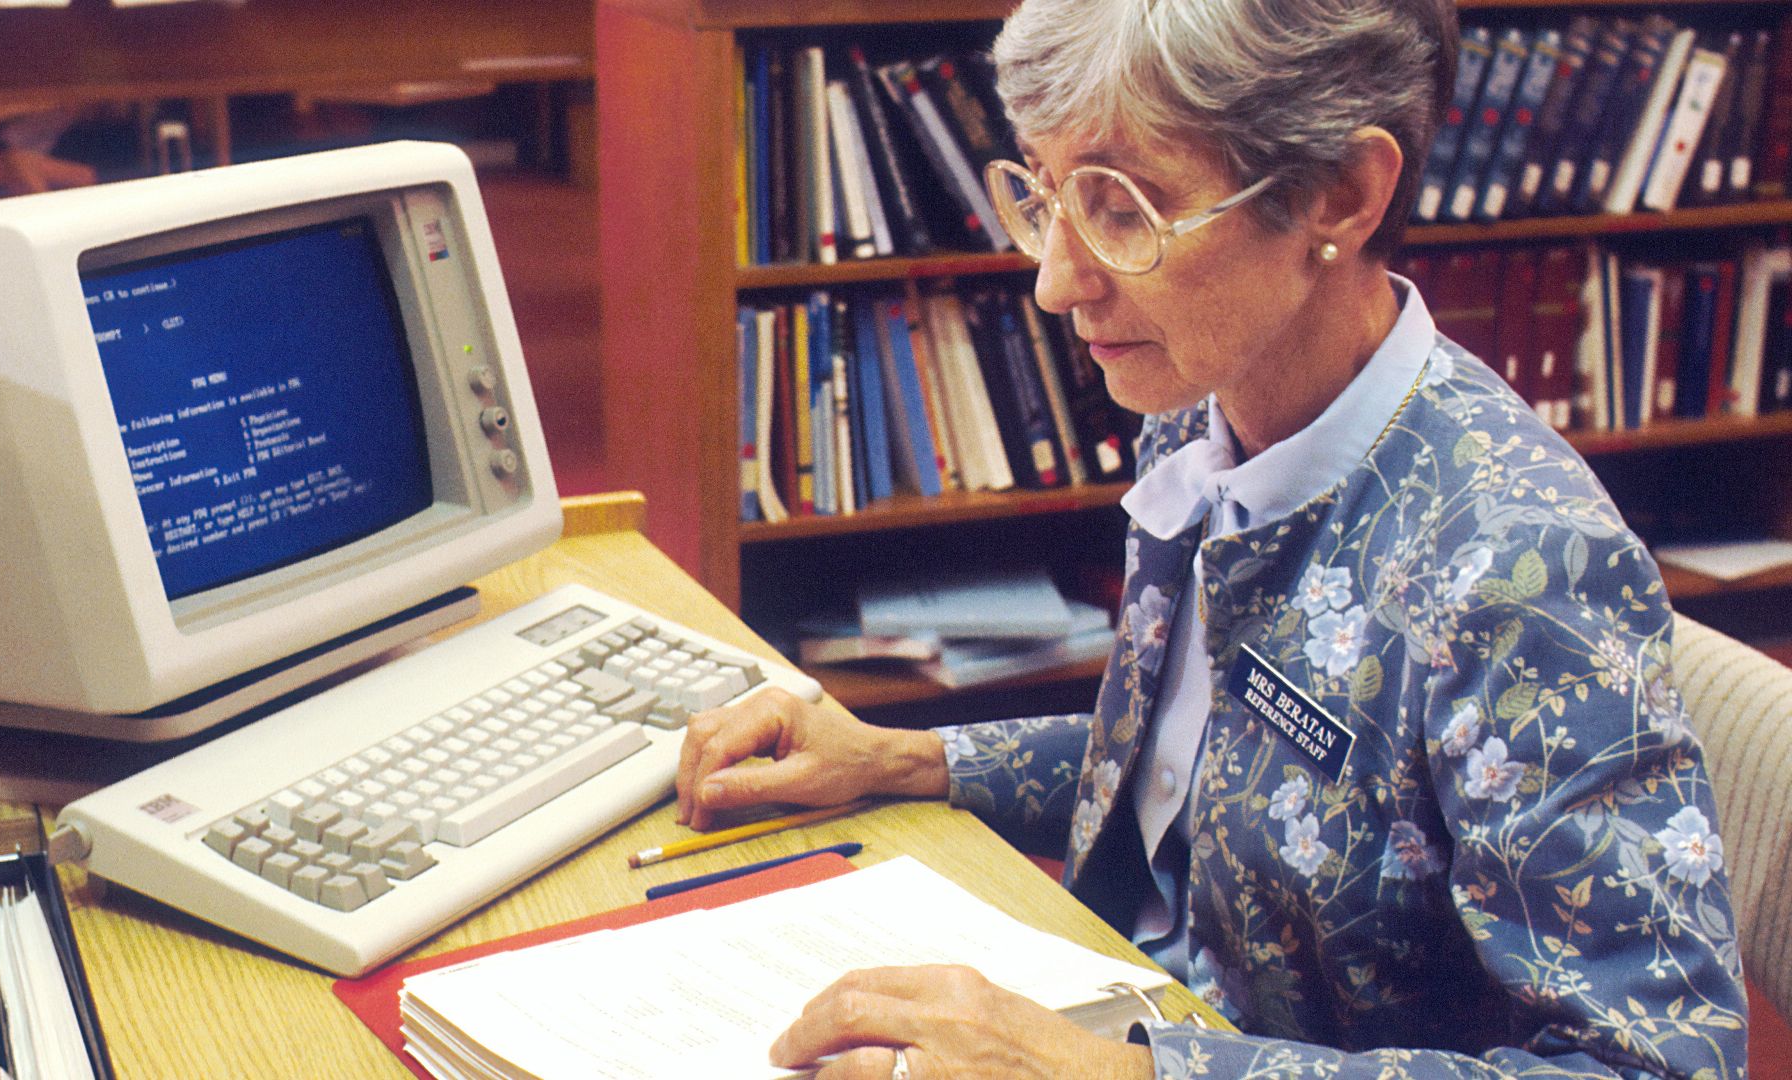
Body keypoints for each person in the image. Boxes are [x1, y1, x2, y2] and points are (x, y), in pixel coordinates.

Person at [676, 0, 1750, 1076]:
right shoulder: (1201, 409)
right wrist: (903, 758)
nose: (1055, 279)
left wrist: (1122, 1073)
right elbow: (1210, 770)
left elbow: (1657, 1066)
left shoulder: (1523, 569)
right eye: (1043, 196)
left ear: (1344, 193)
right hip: (1126, 994)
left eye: (1123, 208)